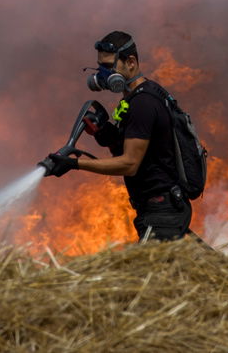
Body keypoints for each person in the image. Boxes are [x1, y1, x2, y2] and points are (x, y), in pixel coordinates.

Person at [43, 31, 194, 242]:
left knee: (151, 275)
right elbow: (147, 155)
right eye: (100, 67)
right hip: (161, 208)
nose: (103, 74)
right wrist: (110, 138)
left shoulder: (143, 104)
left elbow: (129, 164)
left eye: (108, 66)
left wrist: (75, 164)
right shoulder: (139, 97)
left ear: (130, 62)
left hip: (162, 211)